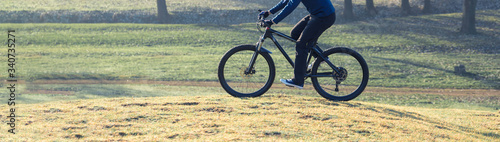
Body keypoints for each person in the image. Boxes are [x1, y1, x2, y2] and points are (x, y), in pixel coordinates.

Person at [259, 0, 336, 89]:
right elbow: (286, 1)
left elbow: (291, 5)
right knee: (295, 34)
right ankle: (321, 57)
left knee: (301, 44)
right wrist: (269, 12)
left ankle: (298, 81)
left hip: (323, 17)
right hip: (317, 14)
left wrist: (273, 21)